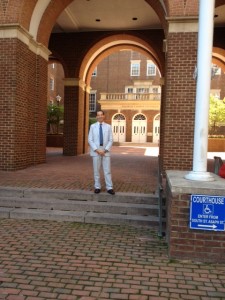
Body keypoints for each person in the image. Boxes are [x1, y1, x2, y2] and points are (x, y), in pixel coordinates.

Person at [88, 110, 115, 195]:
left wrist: (105, 150)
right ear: (96, 117)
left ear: (104, 116)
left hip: (105, 151)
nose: (100, 116)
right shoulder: (92, 126)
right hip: (96, 151)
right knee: (96, 171)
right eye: (98, 115)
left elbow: (111, 140)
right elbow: (90, 139)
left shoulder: (108, 127)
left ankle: (109, 187)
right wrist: (97, 150)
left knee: (107, 171)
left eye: (101, 115)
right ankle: (97, 187)